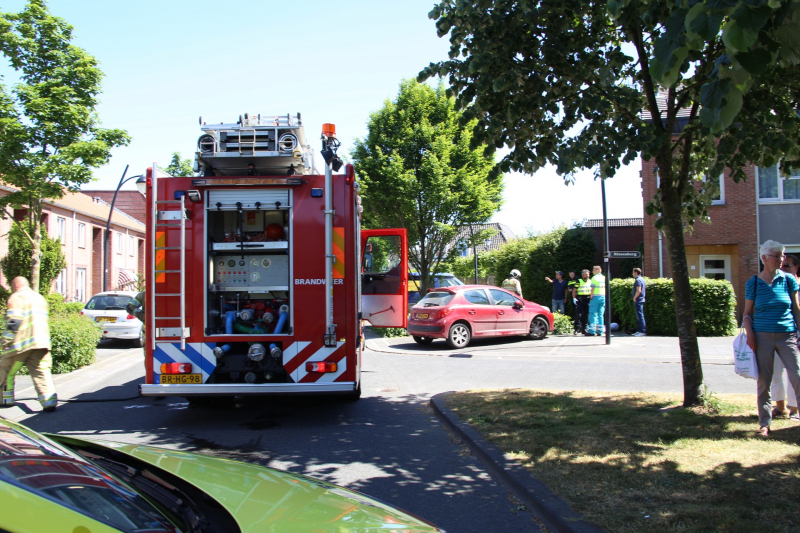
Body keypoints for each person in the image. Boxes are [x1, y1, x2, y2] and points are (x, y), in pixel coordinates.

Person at [743, 241, 800, 437]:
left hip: (788, 336)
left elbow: (796, 310)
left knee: (797, 377)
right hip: (762, 337)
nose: (781, 259)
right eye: (777, 255)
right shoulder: (753, 283)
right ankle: (764, 424)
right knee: (764, 382)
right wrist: (750, 334)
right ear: (764, 258)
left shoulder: (789, 280)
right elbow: (747, 314)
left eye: (782, 255)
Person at [0, 277, 57, 412]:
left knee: (6, 370)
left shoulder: (17, 297)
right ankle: (49, 401)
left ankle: (5, 400)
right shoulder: (39, 298)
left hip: (22, 344)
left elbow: (14, 321)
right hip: (41, 343)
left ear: (16, 285)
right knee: (41, 371)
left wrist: (5, 341)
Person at [771, 253, 799, 419]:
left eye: (787, 266)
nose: (783, 269)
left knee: (794, 373)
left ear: (796, 268)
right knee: (775, 371)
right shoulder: (774, 286)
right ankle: (779, 407)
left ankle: (794, 408)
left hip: (795, 337)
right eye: (781, 265)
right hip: (775, 334)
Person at [586, 265, 606, 336]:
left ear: (597, 270)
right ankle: (600, 331)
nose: (592, 271)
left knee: (593, 314)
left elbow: (592, 289)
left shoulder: (594, 278)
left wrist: (591, 297)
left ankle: (592, 331)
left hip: (595, 297)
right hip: (603, 297)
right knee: (601, 314)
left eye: (593, 270)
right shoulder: (604, 278)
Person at [574, 269, 592, 334]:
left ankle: (584, 329)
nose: (587, 275)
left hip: (587, 299)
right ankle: (576, 329)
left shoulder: (590, 281)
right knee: (578, 314)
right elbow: (574, 290)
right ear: (582, 275)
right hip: (580, 299)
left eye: (588, 274)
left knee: (586, 315)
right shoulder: (579, 281)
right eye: (586, 274)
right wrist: (574, 298)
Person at [632, 267, 646, 337]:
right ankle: (640, 330)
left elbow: (639, 290)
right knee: (640, 315)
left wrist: (635, 297)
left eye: (633, 272)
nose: (633, 274)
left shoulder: (638, 280)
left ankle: (642, 331)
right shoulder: (642, 279)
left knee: (640, 316)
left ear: (636, 272)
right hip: (641, 299)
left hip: (638, 300)